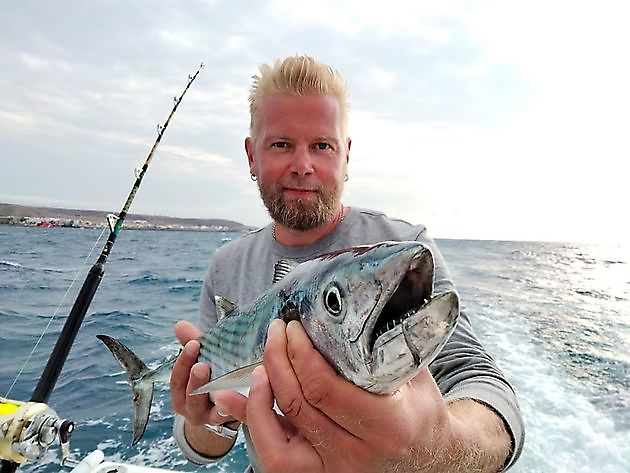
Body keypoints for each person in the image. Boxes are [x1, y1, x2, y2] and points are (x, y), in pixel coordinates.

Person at [170, 55, 524, 472]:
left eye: (322, 145)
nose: (303, 166)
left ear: (346, 155)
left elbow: (482, 384)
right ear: (252, 156)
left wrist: (437, 450)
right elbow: (203, 443)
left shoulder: (404, 248)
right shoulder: (226, 266)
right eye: (281, 144)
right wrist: (205, 421)